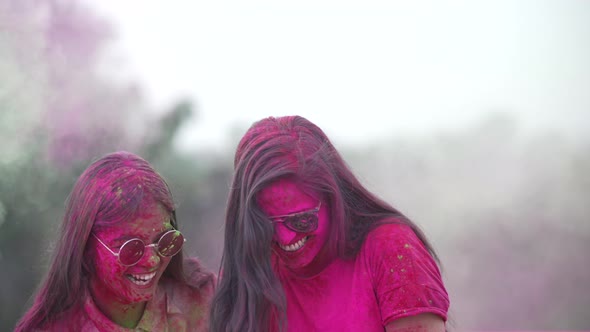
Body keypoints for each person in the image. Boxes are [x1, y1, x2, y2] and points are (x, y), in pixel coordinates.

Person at [210, 116, 450, 332]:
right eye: (265, 224)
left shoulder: (391, 248)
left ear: (334, 198)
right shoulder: (248, 274)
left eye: (301, 220)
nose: (285, 238)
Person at [15, 151, 215, 332]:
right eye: (131, 247)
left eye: (164, 240)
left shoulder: (205, 299)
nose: (152, 260)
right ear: (86, 247)